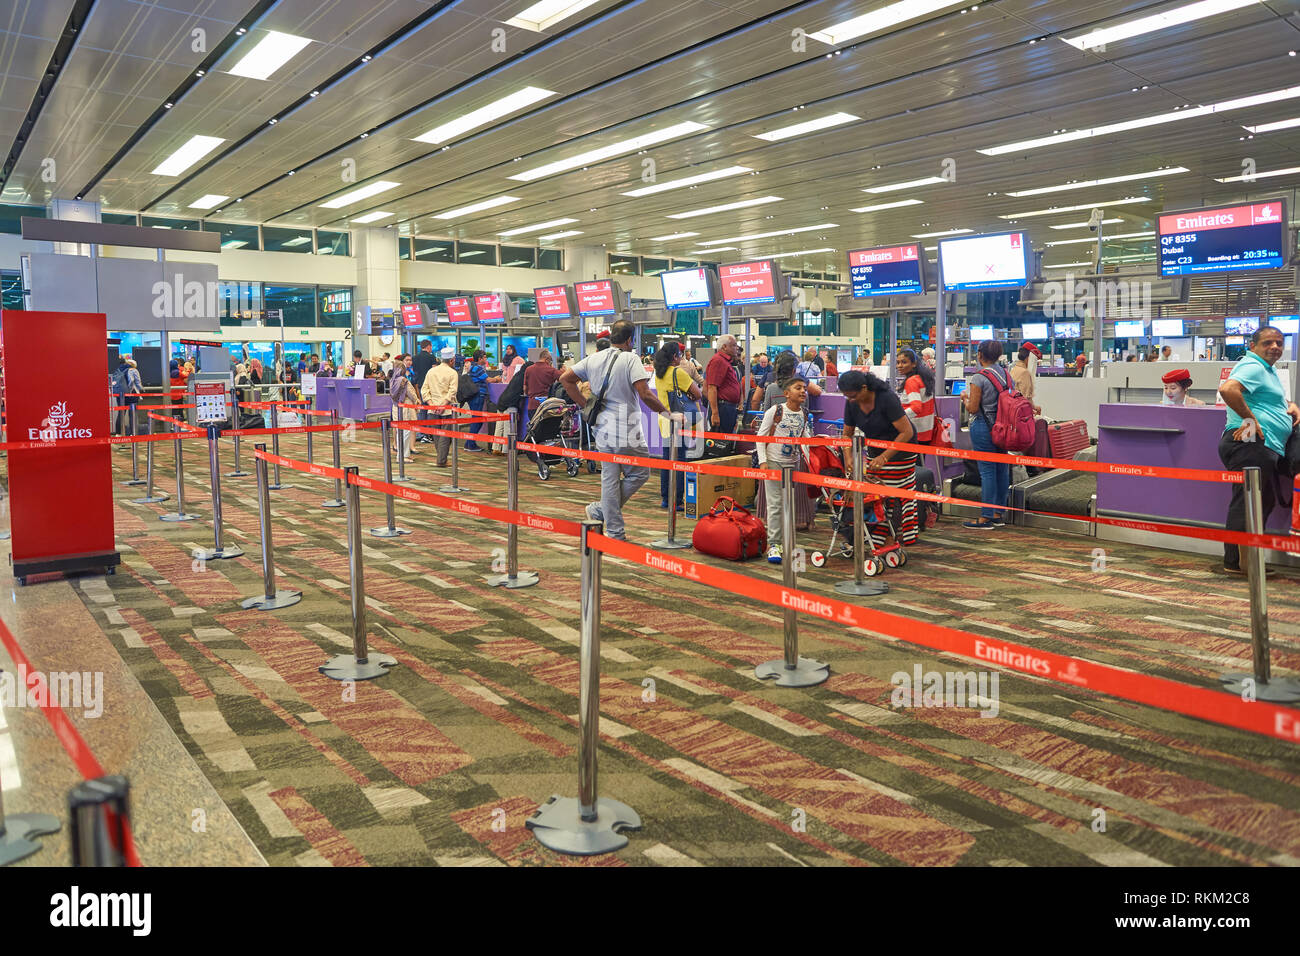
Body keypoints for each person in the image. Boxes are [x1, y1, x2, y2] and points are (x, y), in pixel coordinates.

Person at [560, 318, 670, 541]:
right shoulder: (631, 359)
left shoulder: (594, 358)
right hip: (626, 428)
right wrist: (667, 414)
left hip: (601, 427)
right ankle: (603, 514)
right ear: (630, 340)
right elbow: (645, 393)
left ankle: (613, 529)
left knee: (609, 478)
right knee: (640, 472)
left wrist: (584, 404)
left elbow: (565, 379)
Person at [1217, 325, 1300, 575]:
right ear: (1253, 346)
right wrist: (1250, 420)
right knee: (1250, 503)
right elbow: (1228, 389)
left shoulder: (1267, 370)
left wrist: (1290, 405)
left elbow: (1265, 399)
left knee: (1259, 501)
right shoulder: (1253, 365)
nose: (1275, 347)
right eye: (1267, 343)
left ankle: (1240, 561)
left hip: (1261, 445)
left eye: (1279, 343)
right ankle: (1241, 563)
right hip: (1249, 442)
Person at [839, 369, 919, 547]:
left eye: (853, 396)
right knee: (875, 494)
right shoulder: (851, 402)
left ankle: (890, 536)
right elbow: (846, 434)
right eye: (847, 396)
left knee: (891, 494)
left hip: (901, 451)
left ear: (864, 388)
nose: (850, 400)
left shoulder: (886, 398)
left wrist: (884, 457)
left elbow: (906, 432)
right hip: (875, 449)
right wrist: (848, 456)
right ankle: (877, 535)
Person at [757, 374, 811, 563]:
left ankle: (786, 541)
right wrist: (763, 461)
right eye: (798, 388)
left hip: (793, 464)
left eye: (804, 388)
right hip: (774, 462)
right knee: (775, 505)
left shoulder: (804, 413)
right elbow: (760, 437)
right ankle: (774, 544)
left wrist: (810, 458)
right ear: (787, 393)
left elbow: (804, 438)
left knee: (788, 504)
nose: (803, 391)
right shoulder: (775, 411)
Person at [963, 340, 1012, 530]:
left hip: (983, 427)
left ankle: (986, 517)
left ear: (980, 354)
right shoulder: (1006, 375)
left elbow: (973, 408)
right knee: (1001, 469)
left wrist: (964, 399)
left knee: (987, 471)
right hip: (1004, 427)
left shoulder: (979, 377)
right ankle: (998, 513)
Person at [652, 342, 702, 510]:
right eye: (680, 355)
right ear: (674, 357)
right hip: (679, 420)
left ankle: (666, 498)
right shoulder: (677, 373)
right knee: (680, 460)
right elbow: (697, 394)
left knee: (667, 460)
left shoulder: (659, 373)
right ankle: (677, 500)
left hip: (665, 420)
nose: (681, 357)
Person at [421, 347, 460, 467]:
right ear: (452, 360)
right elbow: (452, 392)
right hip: (447, 410)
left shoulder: (431, 371)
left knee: (437, 436)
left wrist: (431, 404)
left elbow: (424, 390)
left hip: (432, 409)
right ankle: (441, 460)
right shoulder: (453, 373)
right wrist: (443, 405)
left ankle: (441, 458)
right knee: (445, 436)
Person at [705, 334, 743, 434]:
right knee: (721, 440)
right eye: (734, 345)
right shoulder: (718, 361)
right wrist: (715, 413)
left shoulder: (725, 361)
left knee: (726, 438)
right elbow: (712, 388)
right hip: (722, 407)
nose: (736, 348)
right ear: (724, 347)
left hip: (727, 407)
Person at [897, 348, 936, 443]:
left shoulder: (912, 381)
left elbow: (916, 408)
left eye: (904, 362)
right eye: (898, 362)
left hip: (914, 433)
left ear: (914, 364)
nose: (899, 366)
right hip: (925, 432)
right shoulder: (922, 378)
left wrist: (897, 418)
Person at [389, 364, 419, 460]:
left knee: (399, 432)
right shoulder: (404, 381)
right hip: (406, 407)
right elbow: (411, 394)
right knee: (406, 433)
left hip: (395, 407)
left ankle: (402, 454)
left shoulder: (392, 380)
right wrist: (417, 401)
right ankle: (403, 456)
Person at [463, 350, 489, 451]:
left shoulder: (472, 367)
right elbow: (488, 380)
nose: (486, 359)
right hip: (478, 396)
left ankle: (468, 443)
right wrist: (497, 379)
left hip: (473, 396)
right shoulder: (478, 368)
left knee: (476, 419)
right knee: (477, 420)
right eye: (485, 357)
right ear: (480, 359)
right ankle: (471, 444)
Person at [523, 348, 560, 417]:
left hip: (532, 406)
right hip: (547, 406)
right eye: (550, 361)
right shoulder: (551, 370)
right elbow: (564, 379)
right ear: (547, 359)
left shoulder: (528, 369)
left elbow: (525, 388)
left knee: (534, 423)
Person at [1008, 342, 1043, 415]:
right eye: (1035, 361)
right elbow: (1025, 399)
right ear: (1029, 359)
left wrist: (1034, 407)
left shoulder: (1014, 369)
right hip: (1021, 414)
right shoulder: (1024, 373)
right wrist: (1034, 409)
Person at [411, 340, 436, 442]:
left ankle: (420, 433)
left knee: (422, 409)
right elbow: (434, 371)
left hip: (419, 385)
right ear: (428, 346)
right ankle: (428, 433)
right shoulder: (431, 357)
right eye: (431, 347)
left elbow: (415, 372)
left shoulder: (415, 358)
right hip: (430, 386)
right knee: (430, 409)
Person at [111, 357, 143, 436]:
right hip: (132, 394)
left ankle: (118, 433)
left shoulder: (118, 370)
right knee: (132, 414)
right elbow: (138, 383)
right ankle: (133, 433)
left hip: (120, 394)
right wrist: (142, 390)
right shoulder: (134, 370)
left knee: (121, 413)